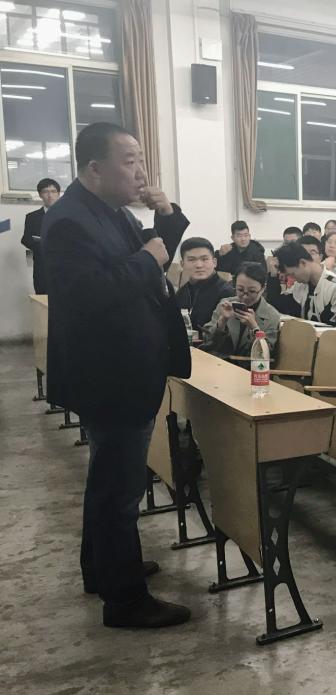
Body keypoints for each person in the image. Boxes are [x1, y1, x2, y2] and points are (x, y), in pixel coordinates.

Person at [44, 122, 191, 627]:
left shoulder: (110, 211)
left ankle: (102, 568)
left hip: (125, 370)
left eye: (141, 160)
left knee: (108, 480)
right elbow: (92, 294)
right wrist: (147, 258)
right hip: (110, 375)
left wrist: (165, 217)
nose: (141, 171)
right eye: (130, 161)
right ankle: (125, 600)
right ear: (94, 168)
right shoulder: (68, 222)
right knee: (119, 490)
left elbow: (155, 255)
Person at [201, 261, 281, 359]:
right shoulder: (225, 304)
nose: (245, 296)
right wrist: (222, 321)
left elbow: (266, 353)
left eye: (252, 291)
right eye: (240, 290)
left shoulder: (272, 315)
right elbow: (207, 340)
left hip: (250, 365)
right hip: (220, 362)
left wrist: (254, 328)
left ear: (262, 288)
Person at [275, 240, 336, 324]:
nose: (294, 279)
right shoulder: (299, 284)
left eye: (293, 274)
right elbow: (279, 308)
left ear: (303, 263)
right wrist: (272, 276)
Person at [175, 237, 234, 332]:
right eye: (192, 260)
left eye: (204, 259)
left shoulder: (226, 293)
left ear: (214, 262)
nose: (199, 265)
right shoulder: (181, 293)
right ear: (182, 264)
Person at [21, 177, 61, 294]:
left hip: (65, 268)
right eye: (45, 192)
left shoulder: (69, 215)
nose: (50, 195)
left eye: (53, 191)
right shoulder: (32, 217)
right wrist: (41, 244)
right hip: (42, 268)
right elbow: (26, 239)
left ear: (58, 194)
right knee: (42, 300)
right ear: (40, 195)